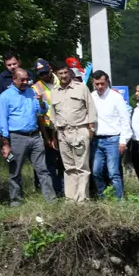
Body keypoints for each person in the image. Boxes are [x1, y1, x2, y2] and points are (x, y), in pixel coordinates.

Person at [0, 68, 55, 205]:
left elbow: (42, 110)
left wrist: (41, 102)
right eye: (21, 80)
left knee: (42, 170)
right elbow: (3, 121)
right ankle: (16, 201)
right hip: (17, 137)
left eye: (26, 79)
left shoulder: (31, 92)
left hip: (34, 136)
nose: (25, 82)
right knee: (15, 171)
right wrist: (5, 143)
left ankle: (51, 200)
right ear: (14, 79)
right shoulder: (5, 97)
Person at [49, 62, 97, 202]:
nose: (63, 76)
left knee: (82, 167)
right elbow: (53, 115)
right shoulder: (54, 91)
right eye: (60, 73)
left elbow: (91, 109)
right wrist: (55, 133)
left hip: (79, 130)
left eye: (65, 73)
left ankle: (82, 198)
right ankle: (70, 198)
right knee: (69, 167)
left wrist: (90, 130)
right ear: (57, 75)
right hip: (62, 132)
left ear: (69, 73)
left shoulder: (81, 88)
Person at [89, 71, 131, 199]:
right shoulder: (92, 97)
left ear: (107, 82)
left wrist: (123, 140)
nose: (100, 87)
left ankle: (119, 200)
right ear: (93, 83)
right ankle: (103, 198)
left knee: (113, 172)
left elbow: (125, 119)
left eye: (102, 83)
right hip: (97, 140)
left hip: (113, 139)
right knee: (96, 172)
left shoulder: (115, 97)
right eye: (97, 84)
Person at [31, 59, 65, 198]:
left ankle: (65, 188)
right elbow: (38, 112)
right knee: (50, 161)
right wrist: (46, 137)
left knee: (64, 159)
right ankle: (56, 189)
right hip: (48, 128)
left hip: (63, 125)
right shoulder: (36, 87)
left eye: (45, 72)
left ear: (50, 68)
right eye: (41, 74)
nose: (44, 76)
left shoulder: (61, 79)